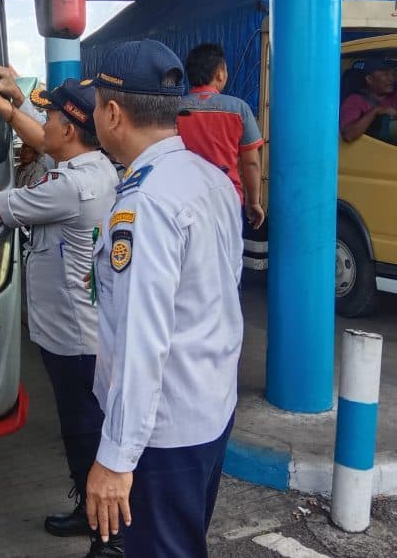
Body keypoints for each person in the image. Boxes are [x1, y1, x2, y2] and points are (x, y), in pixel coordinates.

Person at [84, 39, 244, 558]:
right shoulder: (211, 177)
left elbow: (140, 338)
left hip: (163, 432)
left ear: (112, 113)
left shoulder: (145, 202)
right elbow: (227, 286)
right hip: (209, 408)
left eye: (94, 106)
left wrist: (116, 456)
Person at [0, 78, 123, 557]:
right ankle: (88, 511)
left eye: (52, 116)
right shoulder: (90, 166)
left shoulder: (70, 187)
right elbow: (42, 140)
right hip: (73, 334)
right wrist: (10, 109)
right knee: (80, 433)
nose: (44, 124)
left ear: (71, 130)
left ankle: (107, 538)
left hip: (77, 341)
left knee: (84, 435)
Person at [178, 43, 265, 229]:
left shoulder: (173, 110)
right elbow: (251, 162)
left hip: (182, 201)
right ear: (219, 73)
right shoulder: (238, 109)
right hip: (227, 201)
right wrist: (253, 202)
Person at [339, 56, 397, 143]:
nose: (392, 79)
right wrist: (375, 111)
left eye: (393, 74)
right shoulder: (354, 101)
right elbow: (348, 135)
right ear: (369, 79)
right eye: (386, 74)